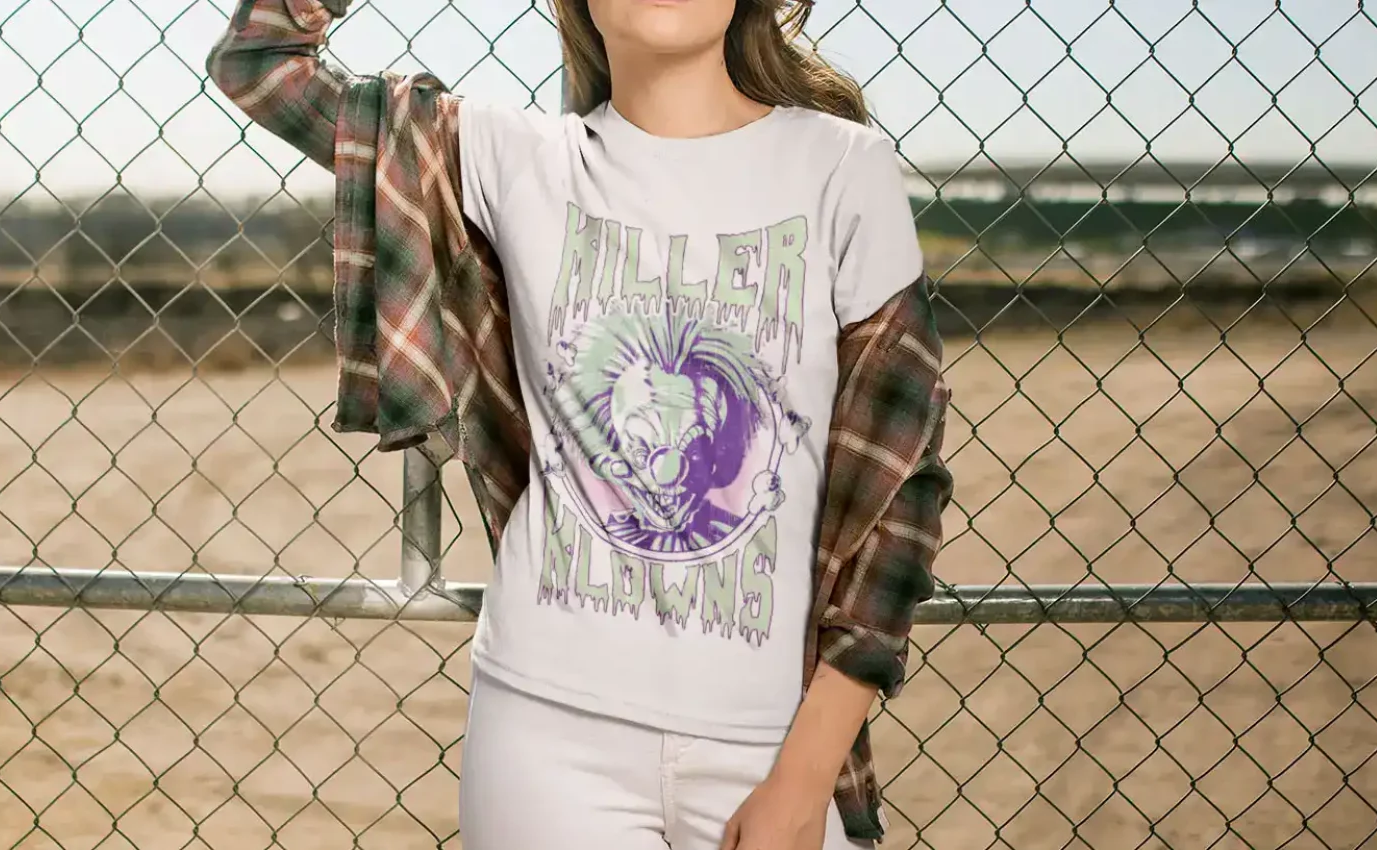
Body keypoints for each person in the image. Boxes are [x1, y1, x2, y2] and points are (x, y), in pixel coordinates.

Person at [207, 1, 951, 847]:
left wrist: (806, 773)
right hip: (544, 734)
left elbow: (902, 484)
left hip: (775, 741)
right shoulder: (504, 157)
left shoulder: (841, 167)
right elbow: (261, 62)